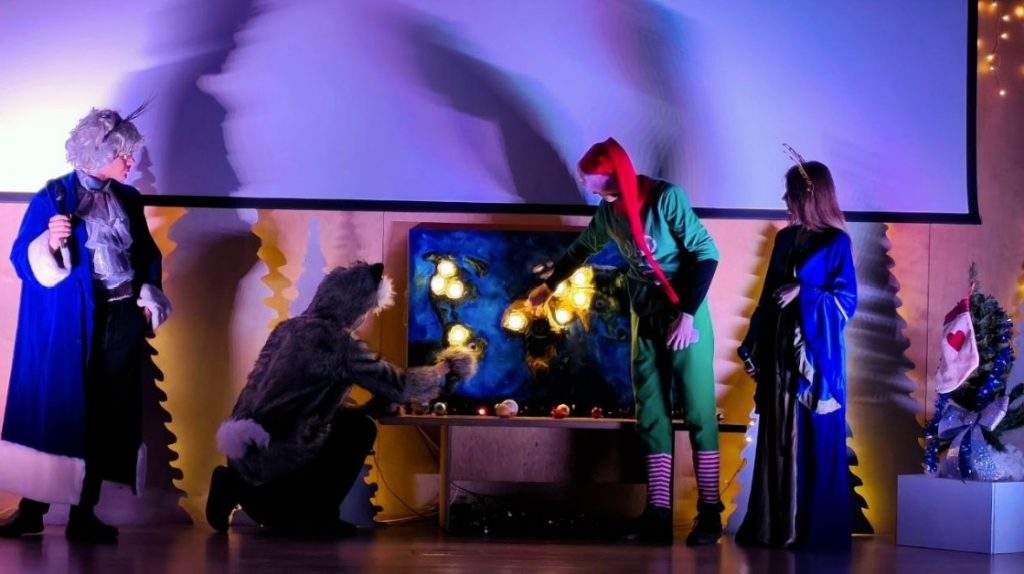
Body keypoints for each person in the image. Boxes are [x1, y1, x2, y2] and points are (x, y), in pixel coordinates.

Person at [529, 138, 721, 545]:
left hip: (683, 311)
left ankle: (709, 512)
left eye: (591, 180)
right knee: (650, 409)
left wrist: (688, 315)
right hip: (645, 311)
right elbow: (583, 248)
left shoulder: (666, 199)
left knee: (699, 408)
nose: (586, 186)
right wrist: (549, 285)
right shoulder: (608, 212)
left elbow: (707, 253)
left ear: (613, 176)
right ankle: (658, 512)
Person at [0, 107, 172, 543]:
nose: (131, 162)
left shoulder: (128, 199)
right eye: (123, 155)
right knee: (57, 409)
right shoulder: (53, 196)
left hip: (121, 320)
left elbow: (146, 254)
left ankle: (84, 515)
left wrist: (148, 292)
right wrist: (50, 241)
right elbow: (21, 258)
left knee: (106, 413)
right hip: (71, 325)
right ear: (98, 153)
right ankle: (32, 511)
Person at [206, 262, 477, 538]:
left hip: (243, 467)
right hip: (276, 485)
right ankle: (320, 517)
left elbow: (308, 404)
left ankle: (231, 485)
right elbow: (399, 386)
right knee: (361, 429)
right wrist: (446, 369)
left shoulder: (287, 329)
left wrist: (369, 407)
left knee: (349, 420)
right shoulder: (337, 343)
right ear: (357, 305)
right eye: (368, 310)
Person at [736, 152, 857, 550]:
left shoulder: (836, 242)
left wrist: (804, 291)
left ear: (809, 196)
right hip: (779, 352)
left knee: (813, 437)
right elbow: (768, 294)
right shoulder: (784, 239)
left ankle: (813, 530)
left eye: (790, 194)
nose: (784, 200)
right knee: (777, 436)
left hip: (815, 359)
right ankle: (774, 527)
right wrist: (753, 339)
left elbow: (846, 301)